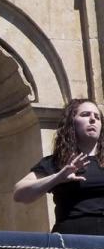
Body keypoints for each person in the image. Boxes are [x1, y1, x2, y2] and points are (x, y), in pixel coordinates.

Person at [13, 98, 104, 234]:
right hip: (71, 241)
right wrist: (58, 177)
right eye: (85, 115)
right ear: (71, 123)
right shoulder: (57, 162)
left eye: (97, 117)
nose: (93, 119)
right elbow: (20, 193)